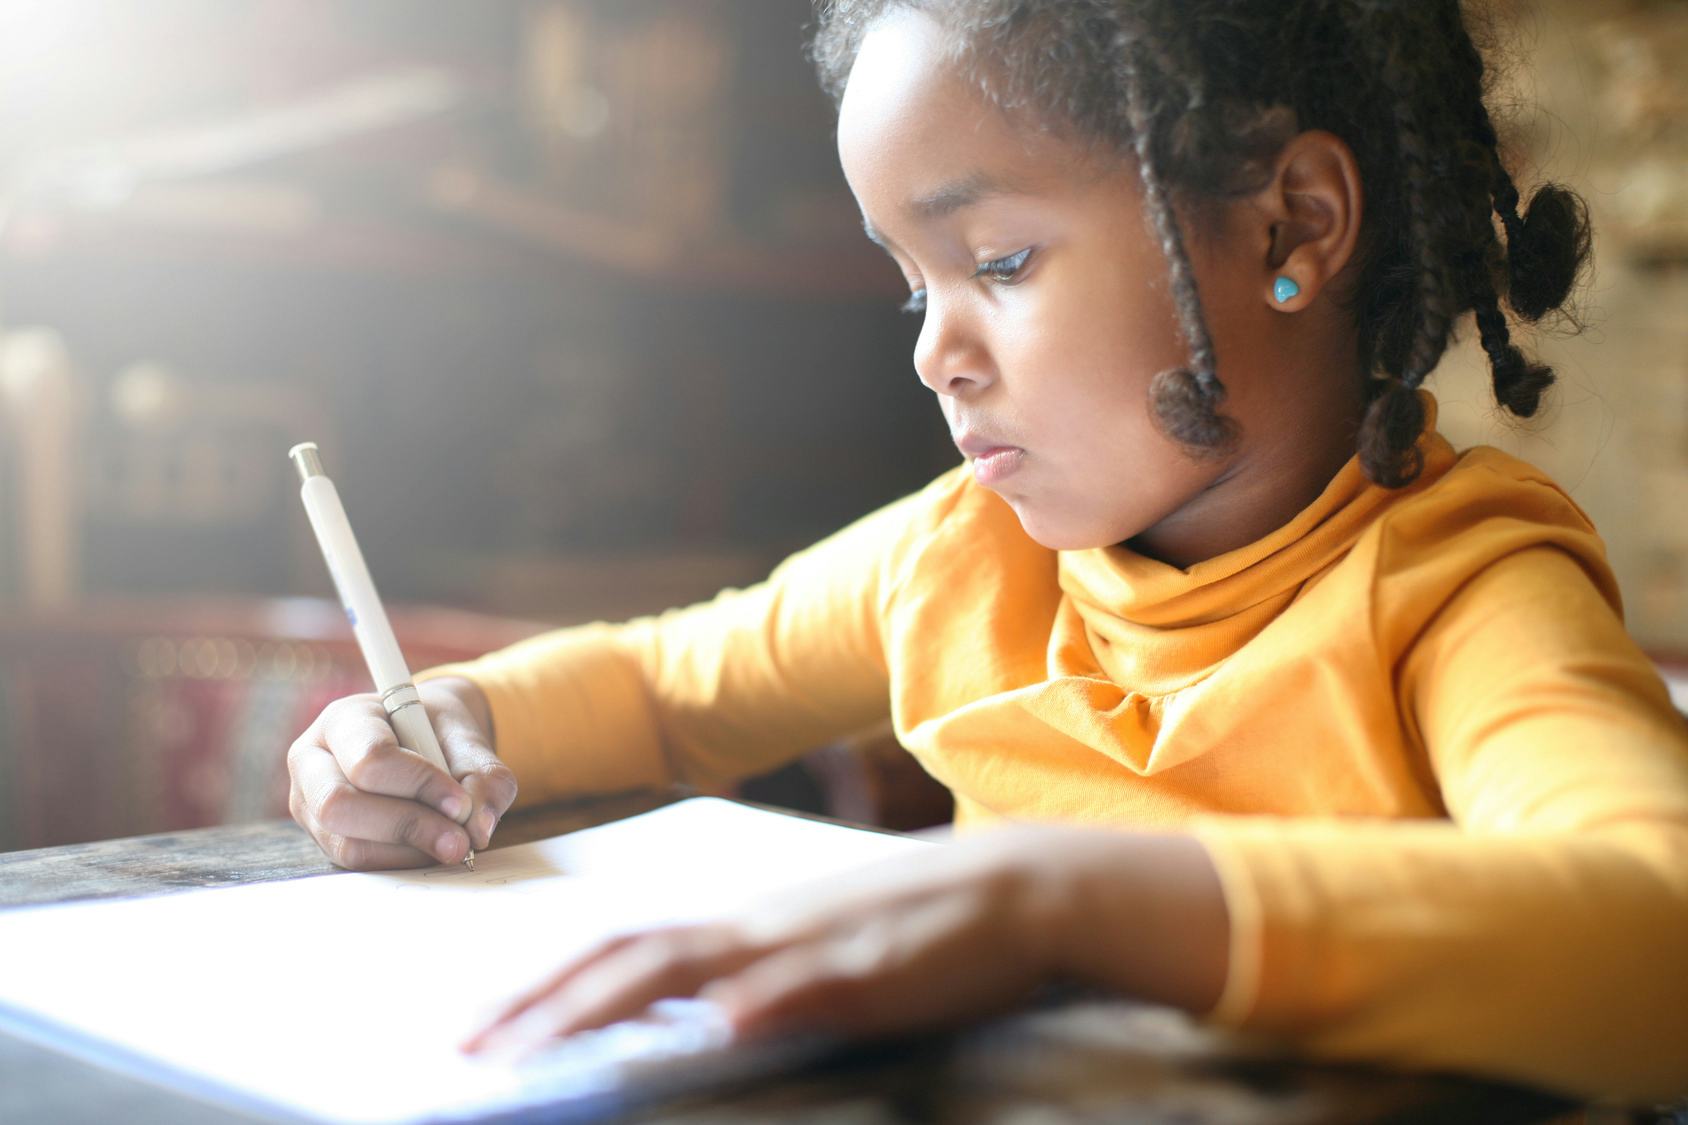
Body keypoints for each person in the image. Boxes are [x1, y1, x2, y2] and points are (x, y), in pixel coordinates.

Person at [285, 0, 1688, 1103]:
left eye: (999, 263)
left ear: (1292, 226)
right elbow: (660, 688)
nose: (936, 355)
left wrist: (1057, 902)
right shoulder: (966, 561)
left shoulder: (1458, 592)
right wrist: (438, 725)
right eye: (912, 285)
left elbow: (1660, 935)